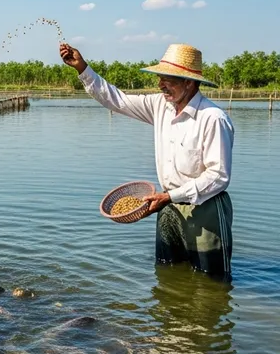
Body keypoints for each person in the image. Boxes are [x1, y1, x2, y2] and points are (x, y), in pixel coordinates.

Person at [60, 42, 235, 276]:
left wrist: (170, 196)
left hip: (205, 209)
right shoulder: (160, 106)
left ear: (189, 83)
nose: (160, 84)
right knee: (167, 272)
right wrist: (82, 68)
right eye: (160, 78)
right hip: (167, 205)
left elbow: (218, 176)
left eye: (168, 79)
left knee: (211, 279)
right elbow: (116, 100)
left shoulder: (212, 118)